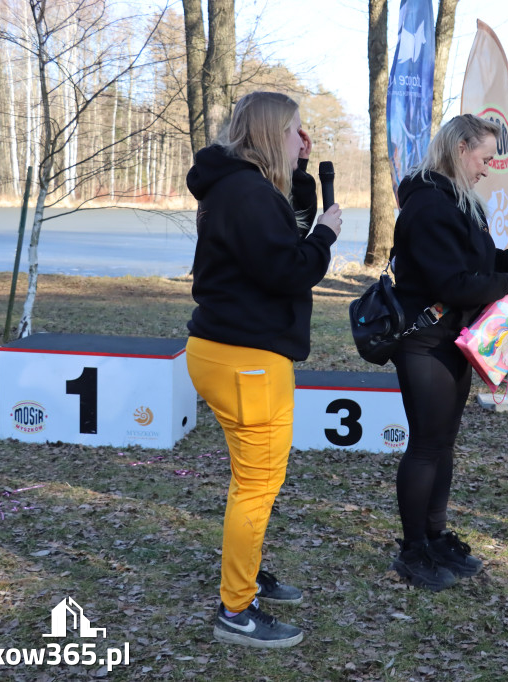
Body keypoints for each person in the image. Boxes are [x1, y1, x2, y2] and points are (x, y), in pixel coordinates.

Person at [183, 91, 343, 648]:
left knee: (250, 481)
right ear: (273, 131)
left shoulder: (241, 187)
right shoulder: (246, 193)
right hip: (246, 358)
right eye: (297, 130)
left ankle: (244, 577)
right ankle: (236, 609)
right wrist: (326, 234)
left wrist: (301, 180)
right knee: (257, 484)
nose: (305, 139)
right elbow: (288, 268)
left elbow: (276, 238)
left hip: (229, 351)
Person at [389, 114, 508, 591]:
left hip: (454, 340)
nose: (488, 167)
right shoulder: (429, 205)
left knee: (442, 444)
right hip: (425, 341)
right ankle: (412, 551)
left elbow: (472, 257)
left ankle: (433, 536)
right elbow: (450, 282)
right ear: (460, 148)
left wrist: (507, 257)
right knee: (426, 446)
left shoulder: (454, 200)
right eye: (484, 156)